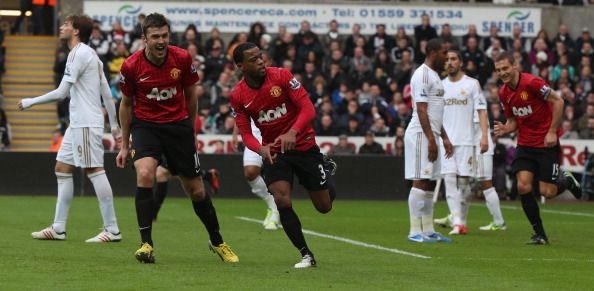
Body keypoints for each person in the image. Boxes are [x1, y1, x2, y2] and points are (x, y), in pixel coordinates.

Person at [116, 13, 238, 263]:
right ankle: (146, 244)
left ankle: (217, 241)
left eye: (165, 35)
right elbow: (126, 105)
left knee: (196, 190)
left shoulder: (182, 58)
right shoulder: (131, 65)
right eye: (155, 37)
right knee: (146, 173)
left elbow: (191, 96)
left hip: (177, 127)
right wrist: (123, 143)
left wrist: (189, 131)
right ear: (144, 39)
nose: (161, 41)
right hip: (146, 126)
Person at [230, 42, 337, 268]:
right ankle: (306, 254)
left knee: (324, 206)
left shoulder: (281, 76)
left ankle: (325, 171)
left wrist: (292, 132)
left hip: (303, 145)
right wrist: (260, 149)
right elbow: (246, 132)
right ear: (240, 66)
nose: (260, 61)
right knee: (281, 198)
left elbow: (308, 109)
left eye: (261, 56)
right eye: (253, 59)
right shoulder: (238, 94)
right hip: (275, 152)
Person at [18, 14, 121, 243]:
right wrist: (114, 126)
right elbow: (106, 92)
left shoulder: (78, 54)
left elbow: (62, 93)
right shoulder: (91, 55)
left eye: (66, 24)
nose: (62, 27)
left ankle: (112, 229)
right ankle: (58, 228)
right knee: (62, 168)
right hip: (78, 124)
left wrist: (30, 101)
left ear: (75, 31)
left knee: (93, 170)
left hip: (85, 122)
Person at [493, 51, 582, 245]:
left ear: (515, 65)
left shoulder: (532, 83)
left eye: (505, 68)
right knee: (523, 186)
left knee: (547, 192)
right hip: (525, 144)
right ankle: (539, 234)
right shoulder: (504, 93)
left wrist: (552, 131)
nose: (503, 73)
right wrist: (506, 129)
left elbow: (558, 101)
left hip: (546, 143)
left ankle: (566, 180)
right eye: (498, 70)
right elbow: (513, 121)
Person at [433, 50, 505, 235]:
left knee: (473, 183)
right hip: (448, 141)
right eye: (447, 59)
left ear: (461, 62)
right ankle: (458, 221)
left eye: (453, 59)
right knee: (451, 179)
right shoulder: (440, 86)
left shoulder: (472, 85)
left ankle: (490, 220)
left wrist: (483, 136)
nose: (449, 62)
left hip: (470, 141)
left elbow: (482, 111)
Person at [404, 38, 453, 243]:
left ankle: (428, 229)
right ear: (432, 52)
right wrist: (431, 140)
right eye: (444, 53)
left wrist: (444, 137)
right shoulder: (422, 75)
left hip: (431, 135)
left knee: (430, 183)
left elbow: (435, 113)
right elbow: (421, 110)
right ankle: (415, 231)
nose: (447, 58)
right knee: (421, 180)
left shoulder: (434, 76)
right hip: (420, 135)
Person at [232, 121, 280, 230]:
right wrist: (235, 133)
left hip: (275, 132)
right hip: (253, 134)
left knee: (275, 171)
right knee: (250, 172)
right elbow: (238, 110)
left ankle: (276, 210)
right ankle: (273, 204)